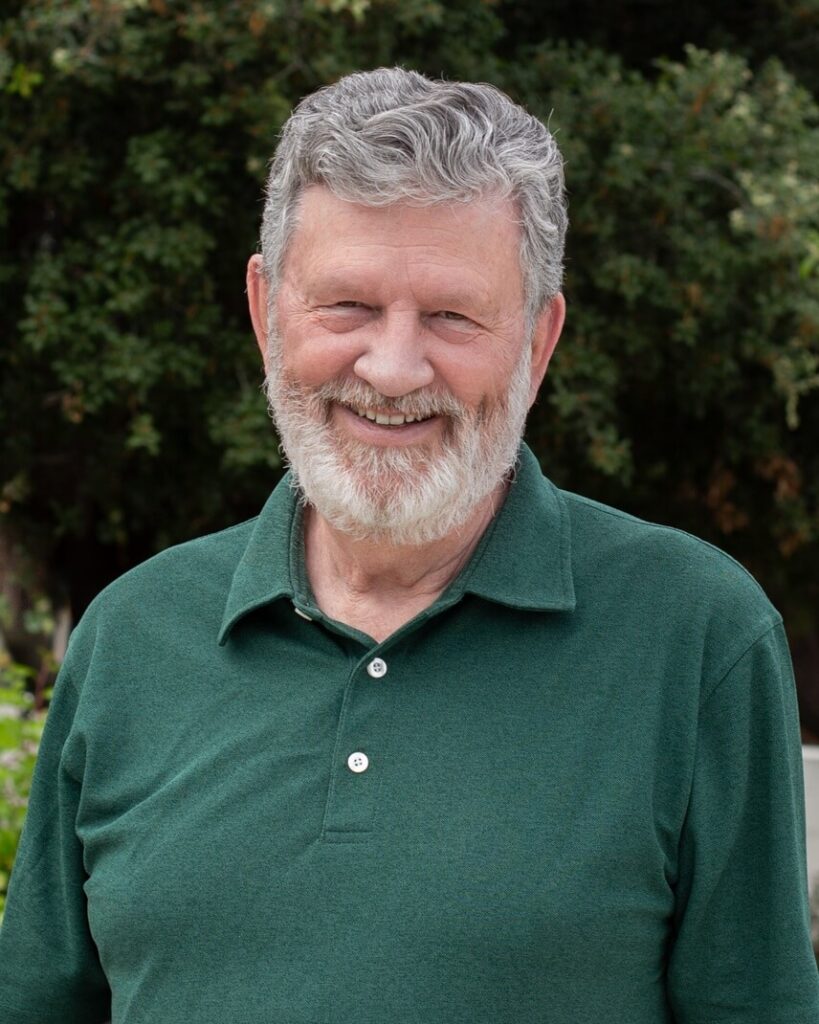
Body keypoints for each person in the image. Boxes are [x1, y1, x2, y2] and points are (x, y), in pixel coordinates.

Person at [0, 67, 816, 1024]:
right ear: (266, 312)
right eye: (345, 306)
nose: (391, 368)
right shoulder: (132, 635)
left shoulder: (698, 639)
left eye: (451, 316)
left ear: (537, 341)